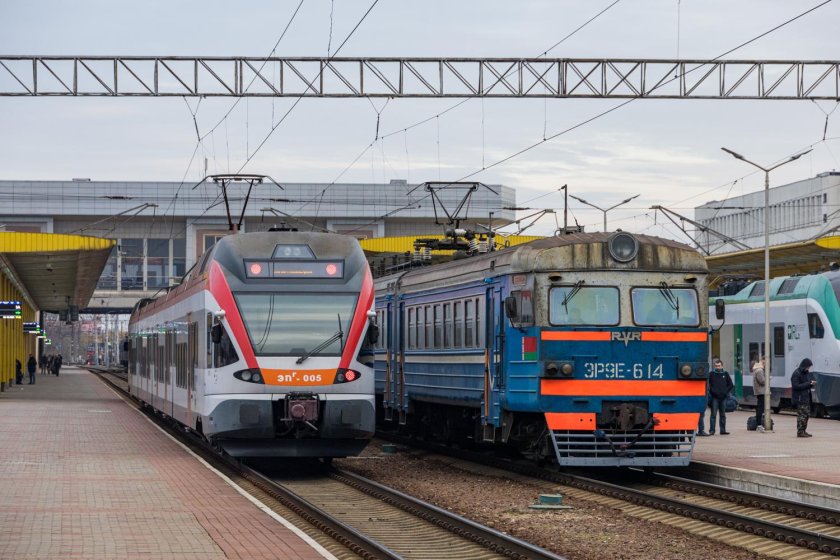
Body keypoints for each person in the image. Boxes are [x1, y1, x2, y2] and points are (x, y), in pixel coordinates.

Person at [708, 357, 734, 435]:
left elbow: (730, 385)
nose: (717, 367)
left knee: (722, 414)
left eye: (719, 366)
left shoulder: (725, 374)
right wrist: (712, 392)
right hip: (715, 398)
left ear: (722, 366)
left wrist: (725, 392)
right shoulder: (711, 374)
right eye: (716, 366)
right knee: (713, 414)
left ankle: (723, 430)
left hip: (723, 398)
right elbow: (709, 385)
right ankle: (712, 430)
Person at [791, 358, 815, 438]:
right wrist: (808, 383)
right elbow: (796, 386)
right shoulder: (796, 373)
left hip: (806, 397)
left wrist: (811, 384)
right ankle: (800, 432)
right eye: (808, 367)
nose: (808, 369)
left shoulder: (805, 373)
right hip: (800, 398)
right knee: (802, 416)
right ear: (804, 366)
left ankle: (804, 430)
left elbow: (806, 384)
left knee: (806, 415)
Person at [752, 356, 767, 432]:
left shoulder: (757, 369)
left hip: (759, 391)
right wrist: (768, 379)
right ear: (763, 361)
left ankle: (759, 424)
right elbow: (762, 381)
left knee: (760, 407)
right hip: (761, 391)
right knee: (760, 408)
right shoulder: (760, 370)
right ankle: (759, 425)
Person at [697, 372, 710, 436]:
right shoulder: (703, 374)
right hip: (702, 396)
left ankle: (700, 430)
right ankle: (701, 430)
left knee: (701, 415)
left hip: (703, 395)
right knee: (701, 414)